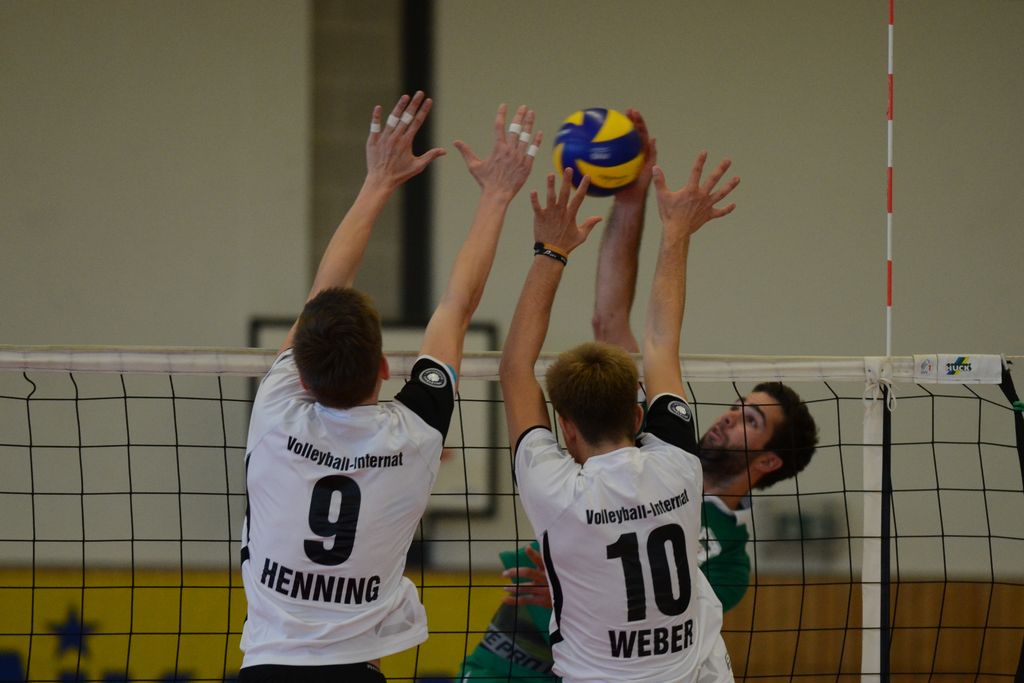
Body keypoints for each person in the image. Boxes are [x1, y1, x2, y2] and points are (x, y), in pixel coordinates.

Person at [459, 112, 817, 682]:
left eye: (750, 421)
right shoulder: (674, 461)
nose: (728, 418)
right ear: (635, 413)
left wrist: (570, 584)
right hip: (513, 658)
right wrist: (631, 200)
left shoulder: (724, 554)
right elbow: (629, 331)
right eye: (737, 407)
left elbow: (527, 367)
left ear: (770, 461)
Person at [237, 92, 543, 682]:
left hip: (267, 669)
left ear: (300, 373)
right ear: (383, 367)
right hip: (357, 671)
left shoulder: (275, 413)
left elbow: (325, 290)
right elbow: (456, 306)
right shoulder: (415, 435)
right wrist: (497, 195)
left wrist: (376, 182)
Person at [499, 146, 740, 682]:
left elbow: (515, 368)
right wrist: (677, 233)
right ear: (637, 415)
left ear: (565, 428)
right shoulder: (679, 465)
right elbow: (659, 342)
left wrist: (552, 250)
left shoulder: (556, 492)